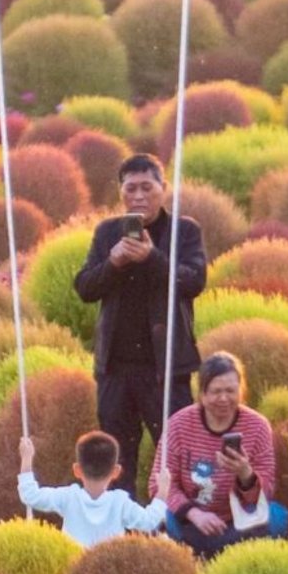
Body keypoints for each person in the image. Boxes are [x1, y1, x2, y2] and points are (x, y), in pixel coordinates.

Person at [73, 152, 207, 493]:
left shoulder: (184, 231)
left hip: (166, 369)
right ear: (120, 192)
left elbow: (193, 281)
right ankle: (123, 536)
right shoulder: (107, 233)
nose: (138, 196)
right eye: (130, 188)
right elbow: (85, 287)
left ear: (163, 188)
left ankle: (174, 532)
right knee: (118, 463)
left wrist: (152, 259)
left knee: (177, 456)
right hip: (115, 370)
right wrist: (113, 263)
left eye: (147, 187)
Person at [157, 354, 288, 556]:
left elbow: (267, 490)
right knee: (162, 515)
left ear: (241, 391)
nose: (223, 398)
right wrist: (194, 514)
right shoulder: (178, 424)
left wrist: (246, 474)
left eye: (230, 391)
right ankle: (199, 556)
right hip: (191, 522)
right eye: (216, 392)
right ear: (202, 393)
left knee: (277, 515)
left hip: (239, 520)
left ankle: (231, 555)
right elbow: (159, 483)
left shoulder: (258, 426)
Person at [19, 431, 169, 545]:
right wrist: (162, 491)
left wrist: (27, 459)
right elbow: (149, 521)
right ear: (116, 472)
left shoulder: (68, 497)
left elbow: (30, 495)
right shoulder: (120, 502)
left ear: (77, 470)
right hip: (107, 570)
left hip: (73, 569)